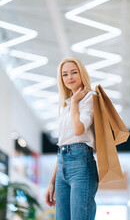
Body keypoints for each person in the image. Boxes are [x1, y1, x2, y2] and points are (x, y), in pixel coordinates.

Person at [45, 57, 99, 220]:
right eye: (65, 74)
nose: (70, 78)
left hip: (81, 163)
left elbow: (78, 130)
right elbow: (63, 144)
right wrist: (52, 181)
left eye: (74, 72)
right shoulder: (66, 106)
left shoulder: (90, 97)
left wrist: (75, 101)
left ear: (82, 73)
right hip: (62, 164)